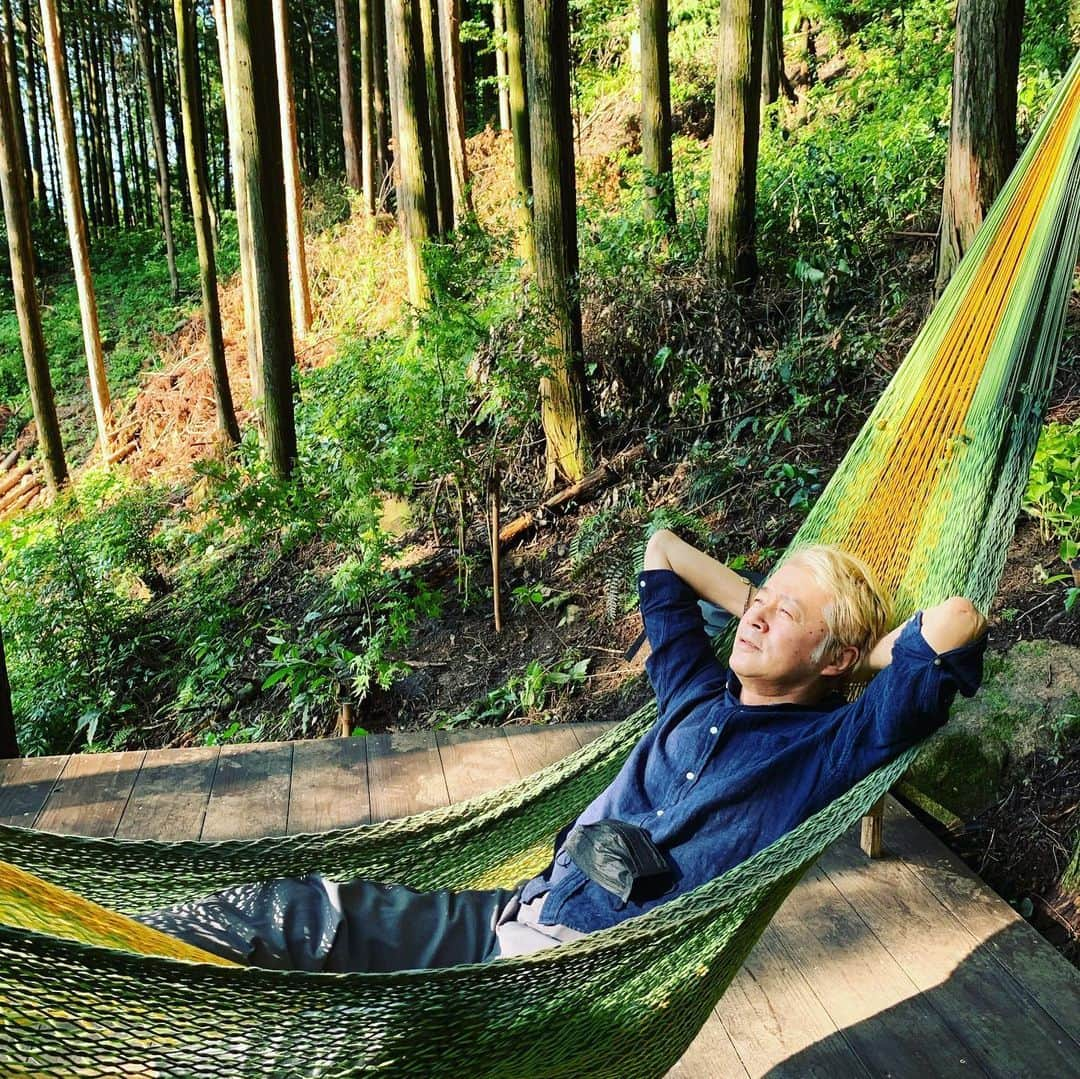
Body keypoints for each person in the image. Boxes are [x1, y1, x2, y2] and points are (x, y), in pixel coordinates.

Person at [139, 529, 988, 972]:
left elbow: (953, 623)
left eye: (785, 614)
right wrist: (774, 607)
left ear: (838, 659)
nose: (757, 613)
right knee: (290, 913)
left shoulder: (829, 746)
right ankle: (97, 950)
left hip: (559, 964)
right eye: (758, 598)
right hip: (511, 914)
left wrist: (859, 651)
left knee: (302, 946)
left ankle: (95, 957)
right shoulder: (697, 689)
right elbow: (661, 551)